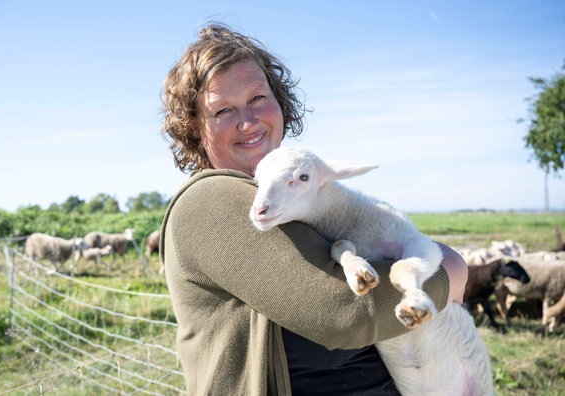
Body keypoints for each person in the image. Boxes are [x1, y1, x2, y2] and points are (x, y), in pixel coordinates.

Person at [159, 23, 467, 395]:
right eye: (223, 110)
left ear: (279, 100)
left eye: (258, 98)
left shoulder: (293, 199)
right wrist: (449, 273)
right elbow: (345, 315)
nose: (248, 121)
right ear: (195, 126)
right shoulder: (210, 201)